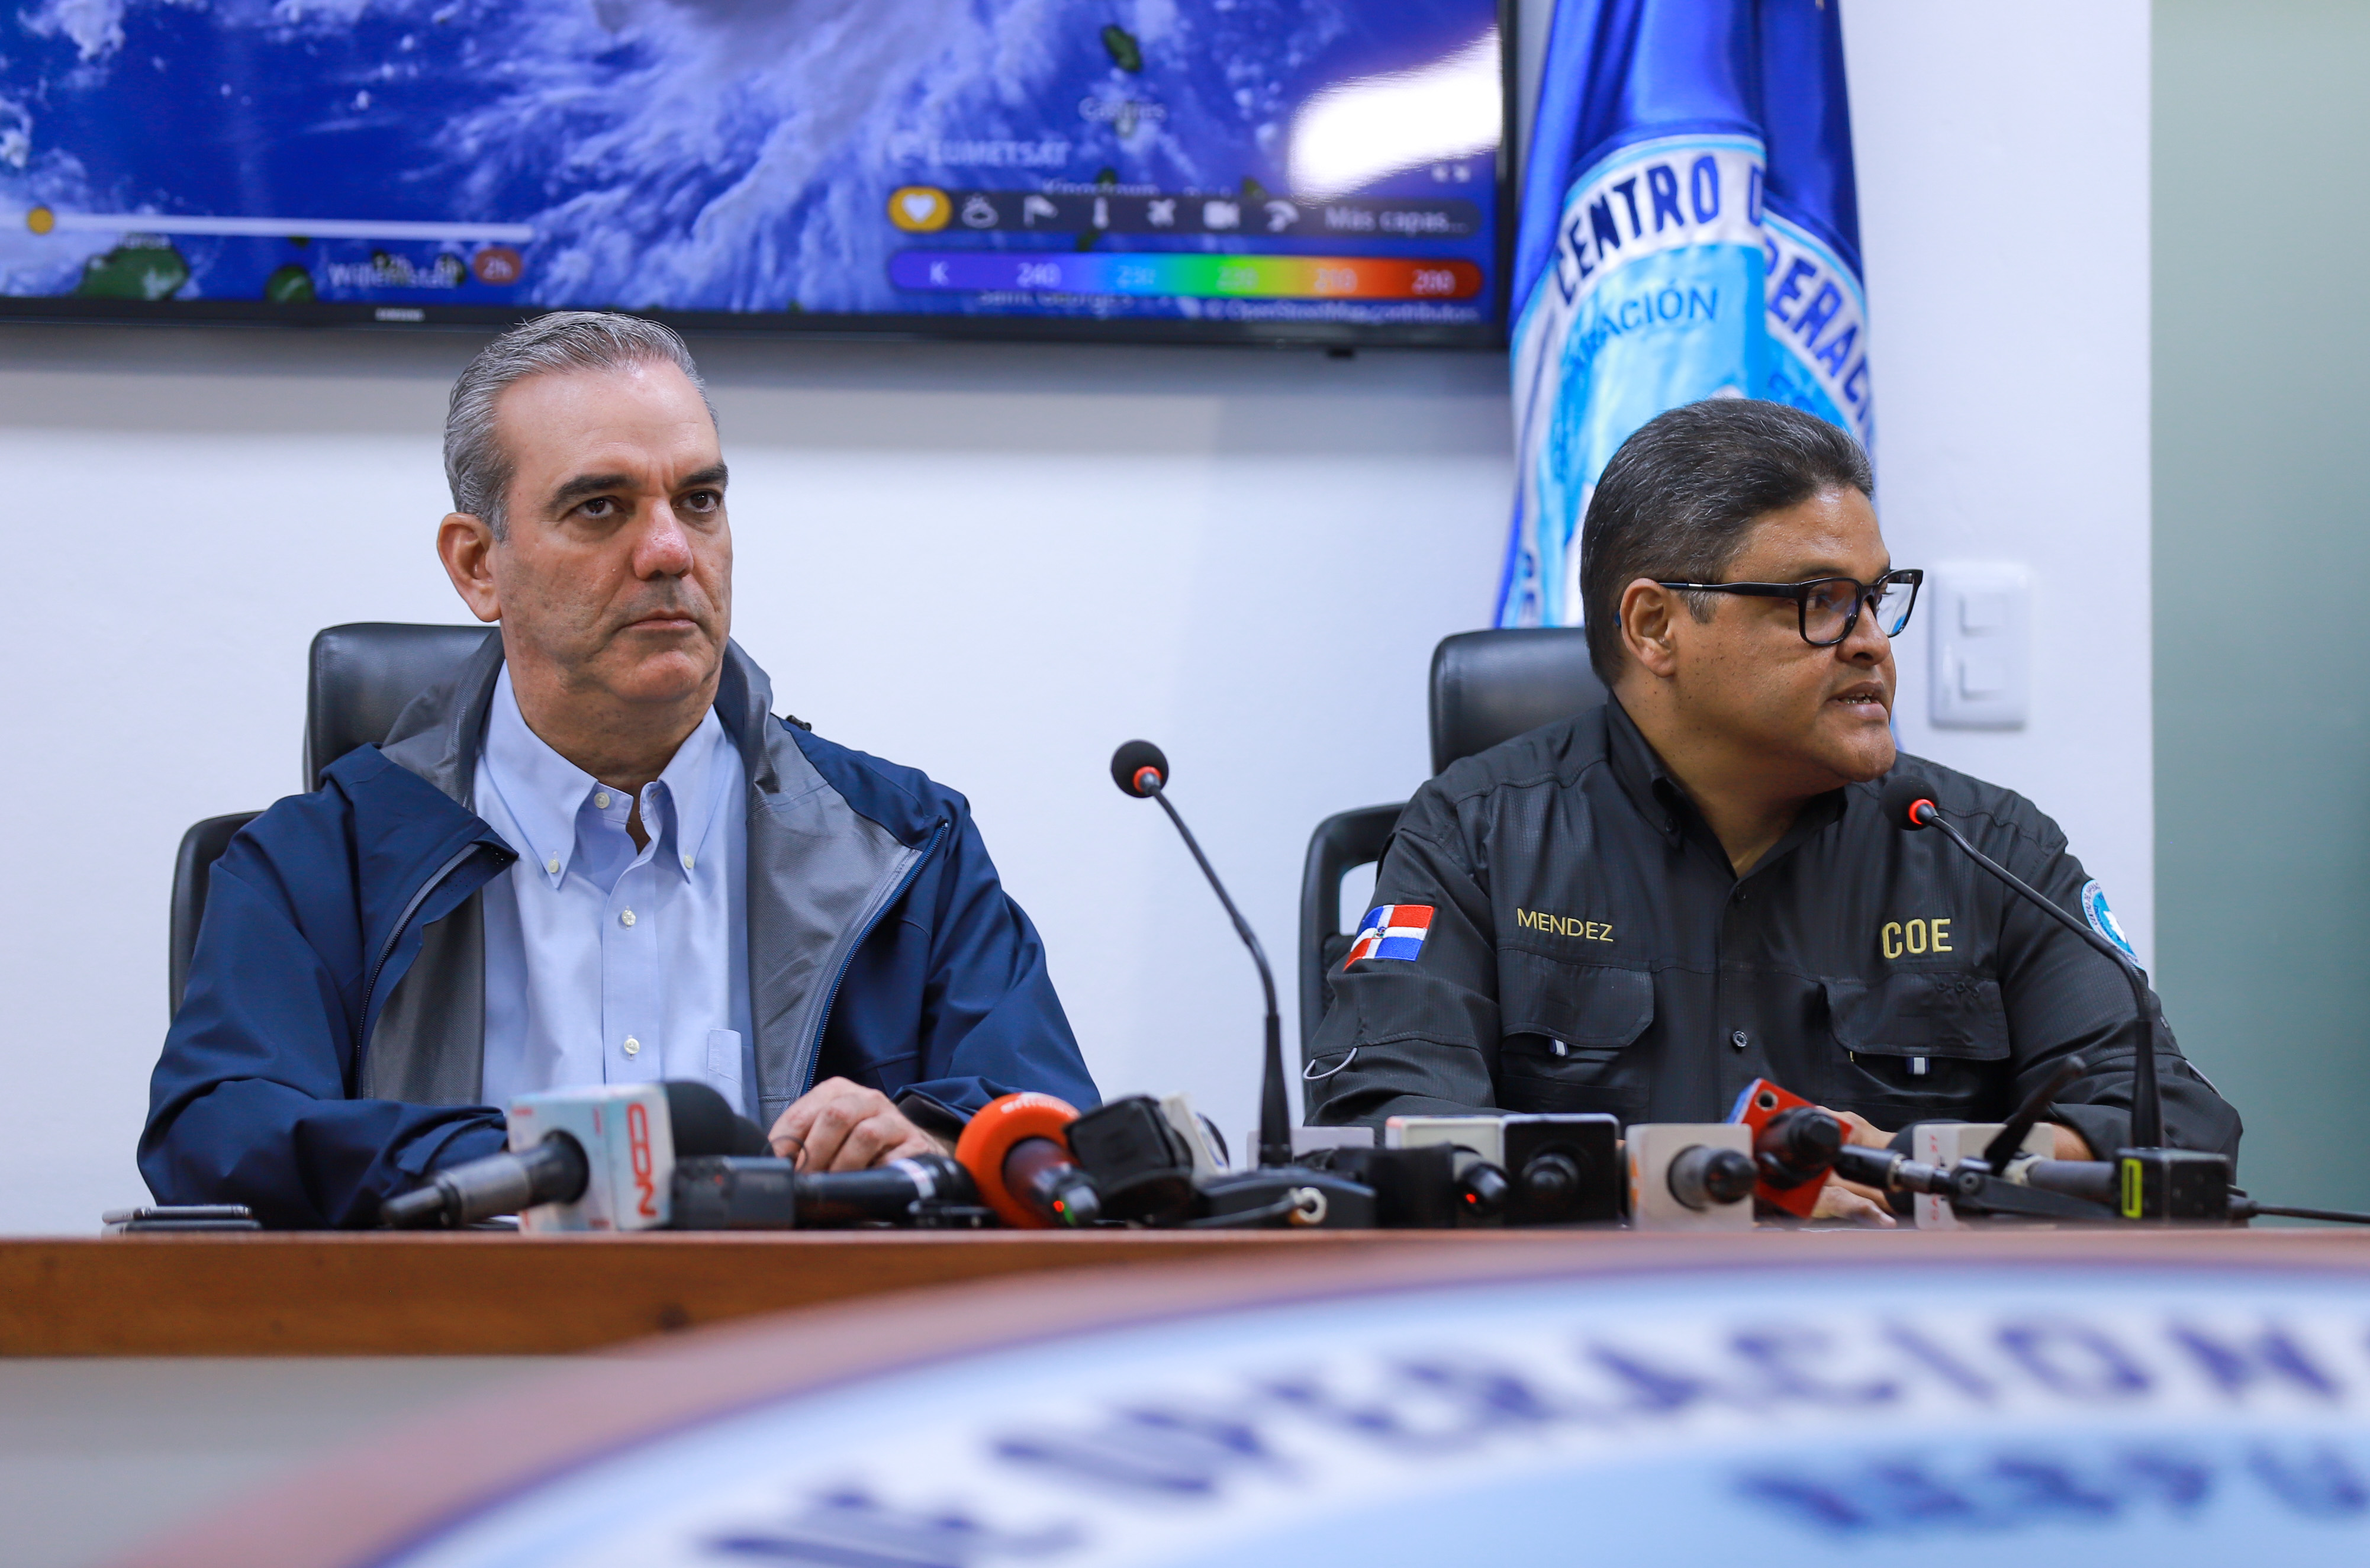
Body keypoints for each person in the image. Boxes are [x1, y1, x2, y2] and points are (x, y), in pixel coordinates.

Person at [143, 312, 1098, 1227]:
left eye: (700, 501)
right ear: (478, 565)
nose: (670, 550)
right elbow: (215, 1132)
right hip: (450, 1336)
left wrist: (934, 1148)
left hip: (804, 1335)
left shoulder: (905, 844)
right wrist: (543, 1163)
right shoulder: (320, 864)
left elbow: (1057, 1135)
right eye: (599, 507)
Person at [1302, 398, 2239, 1224]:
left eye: (1875, 598)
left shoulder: (1985, 847)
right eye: (1820, 602)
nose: (1871, 643)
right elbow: (1384, 1123)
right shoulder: (1477, 837)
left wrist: (1921, 1164)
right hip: (1586, 1336)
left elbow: (2175, 1123)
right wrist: (1690, 1185)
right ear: (1655, 626)